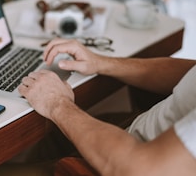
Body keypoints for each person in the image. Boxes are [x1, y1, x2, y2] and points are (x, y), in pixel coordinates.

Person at [15, 38, 196, 176]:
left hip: (120, 163)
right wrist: (100, 62)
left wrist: (57, 104)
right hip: (131, 133)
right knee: (51, 140)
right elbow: (190, 71)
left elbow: (140, 170)